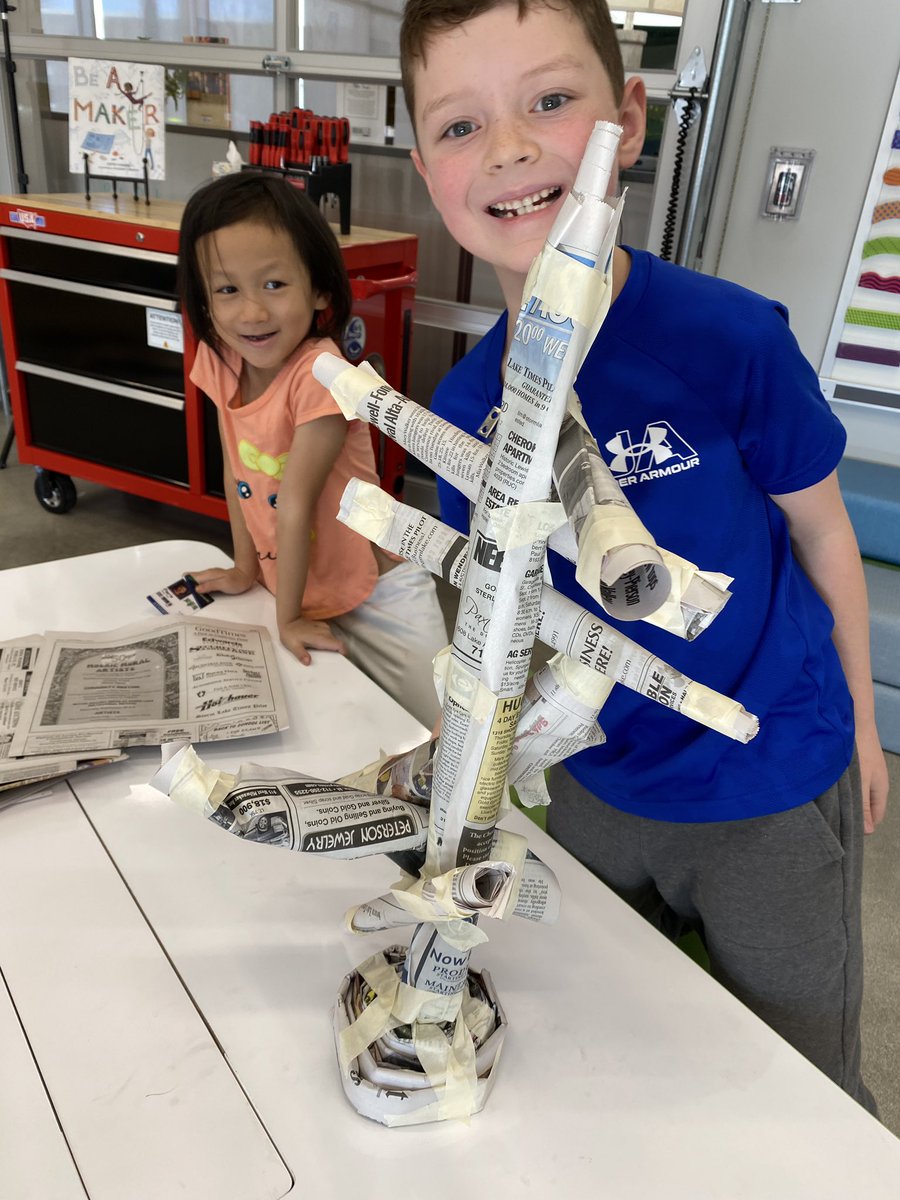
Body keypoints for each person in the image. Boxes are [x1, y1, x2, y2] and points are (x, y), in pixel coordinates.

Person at [400, 0, 889, 1110]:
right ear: (426, 163)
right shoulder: (465, 407)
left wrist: (860, 719)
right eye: (461, 125)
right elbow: (492, 612)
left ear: (628, 115)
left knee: (804, 1067)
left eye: (552, 101)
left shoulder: (731, 338)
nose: (513, 148)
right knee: (615, 1046)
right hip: (596, 789)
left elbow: (821, 529)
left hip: (766, 776)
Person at [177, 172, 447, 727]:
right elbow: (237, 475)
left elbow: (295, 504)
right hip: (297, 581)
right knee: (338, 727)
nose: (251, 313)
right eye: (227, 290)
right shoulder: (222, 359)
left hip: (375, 591)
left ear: (320, 288)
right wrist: (244, 567)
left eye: (273, 285)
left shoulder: (322, 375)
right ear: (204, 300)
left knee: (437, 727)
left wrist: (289, 617)